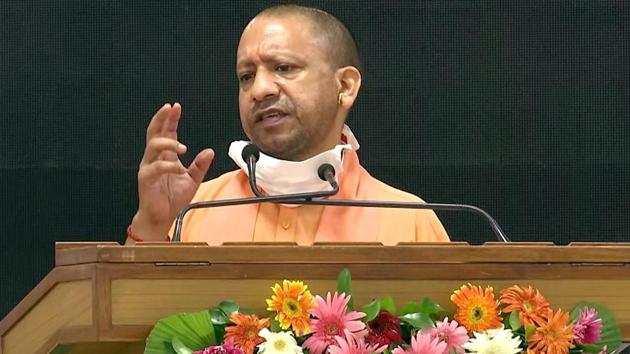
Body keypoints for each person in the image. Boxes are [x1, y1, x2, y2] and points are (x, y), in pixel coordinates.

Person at [126, 5, 449, 245]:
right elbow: (127, 327)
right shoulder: (193, 209)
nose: (260, 90)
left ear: (346, 86)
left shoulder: (408, 220)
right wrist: (154, 224)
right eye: (246, 76)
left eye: (283, 67)